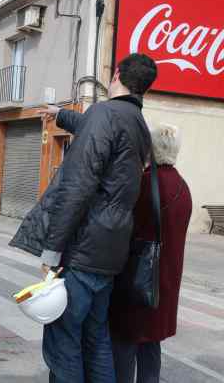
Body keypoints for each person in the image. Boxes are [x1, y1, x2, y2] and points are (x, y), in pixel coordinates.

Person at [10, 53, 158, 383]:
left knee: (64, 342)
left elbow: (78, 186)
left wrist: (52, 249)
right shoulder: (136, 122)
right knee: (97, 338)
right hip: (111, 250)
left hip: (83, 249)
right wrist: (61, 115)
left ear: (116, 75)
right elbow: (100, 133)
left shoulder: (105, 113)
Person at [109, 124, 192, 383]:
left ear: (150, 149)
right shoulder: (183, 186)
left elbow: (124, 228)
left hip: (136, 279)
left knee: (125, 345)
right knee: (151, 344)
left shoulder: (144, 184)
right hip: (164, 283)